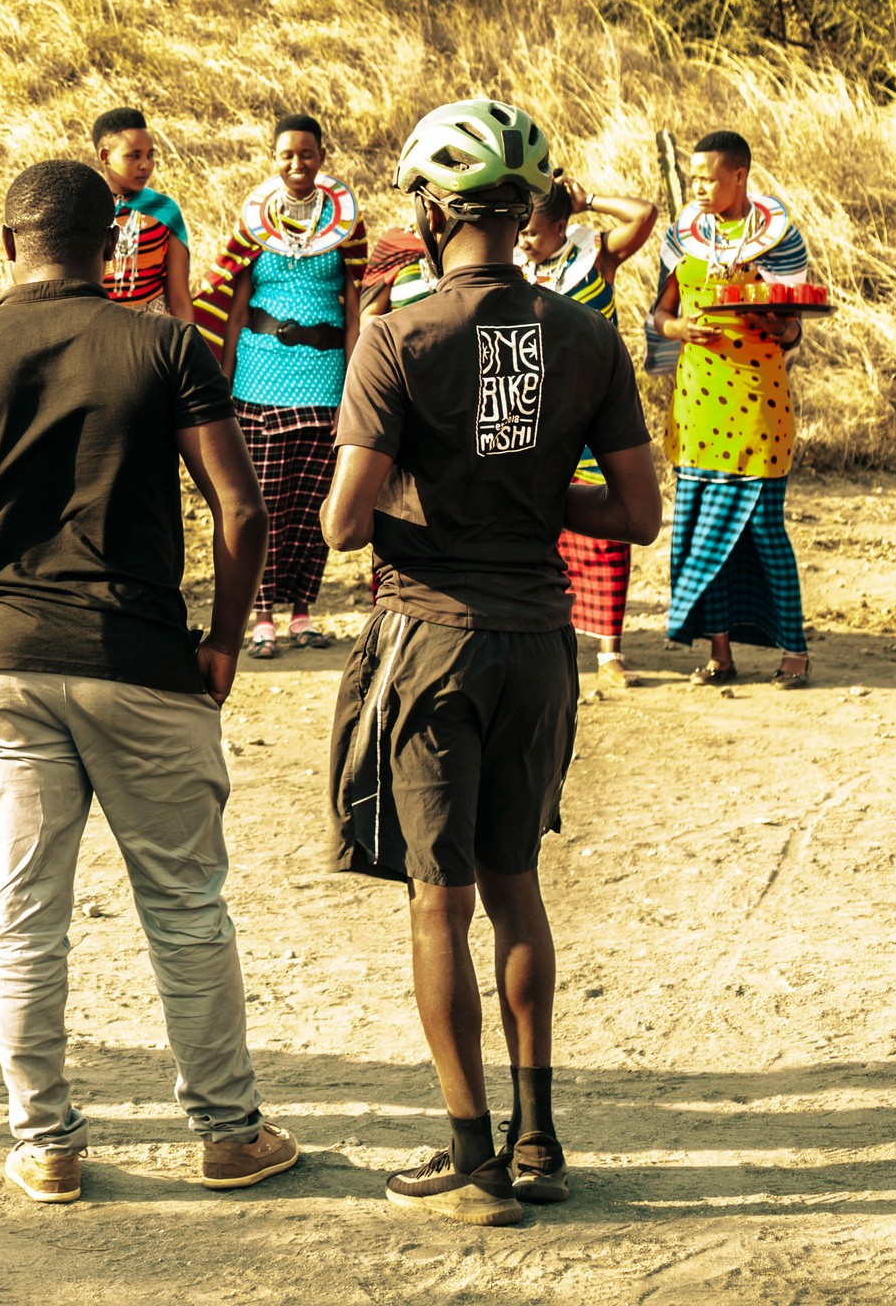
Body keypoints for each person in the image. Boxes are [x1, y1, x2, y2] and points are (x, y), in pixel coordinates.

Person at [0, 158, 297, 1207]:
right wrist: (223, 642)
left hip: (4, 667)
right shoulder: (165, 346)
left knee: (22, 917)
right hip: (141, 662)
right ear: (114, 245)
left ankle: (47, 1142)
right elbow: (239, 511)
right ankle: (228, 1133)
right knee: (185, 908)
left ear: (7, 242)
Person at [321, 98, 661, 1225]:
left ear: (429, 212)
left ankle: (467, 1154)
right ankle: (539, 1142)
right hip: (539, 639)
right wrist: (527, 496)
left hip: (430, 639)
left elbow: (341, 523)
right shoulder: (586, 334)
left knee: (439, 898)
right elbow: (634, 513)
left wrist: (446, 492)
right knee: (518, 884)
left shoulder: (397, 335)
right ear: (527, 217)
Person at [194, 112, 367, 657]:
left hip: (323, 383)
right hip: (258, 376)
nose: (298, 164)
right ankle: (262, 615)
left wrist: (352, 389)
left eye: (308, 154)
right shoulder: (254, 225)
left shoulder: (347, 225)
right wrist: (220, 384)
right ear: (274, 158)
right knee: (262, 499)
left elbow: (356, 308)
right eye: (287, 155)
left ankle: (301, 611)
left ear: (322, 157)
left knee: (312, 499)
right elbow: (234, 306)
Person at [648, 130, 814, 688]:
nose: (698, 186)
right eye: (693, 177)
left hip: (759, 405)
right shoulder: (683, 236)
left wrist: (778, 324)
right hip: (697, 407)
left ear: (739, 177)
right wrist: (679, 328)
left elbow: (794, 323)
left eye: (709, 178)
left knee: (765, 530)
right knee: (698, 531)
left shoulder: (778, 238)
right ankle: (720, 655)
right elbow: (659, 314)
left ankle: (795, 652)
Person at [517, 173, 659, 691]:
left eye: (533, 231)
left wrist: (588, 200)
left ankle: (609, 651)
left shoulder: (594, 256)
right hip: (535, 412)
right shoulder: (509, 266)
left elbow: (644, 215)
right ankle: (547, 633)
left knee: (606, 532)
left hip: (595, 412)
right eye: (519, 231)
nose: (524, 240)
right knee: (541, 523)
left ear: (561, 225)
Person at [90, 107, 194, 322]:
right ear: (105, 156)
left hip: (152, 331)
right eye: (133, 156)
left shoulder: (164, 210)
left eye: (150, 155)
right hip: (98, 329)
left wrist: (189, 349)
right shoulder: (85, 209)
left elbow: (180, 297)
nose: (145, 165)